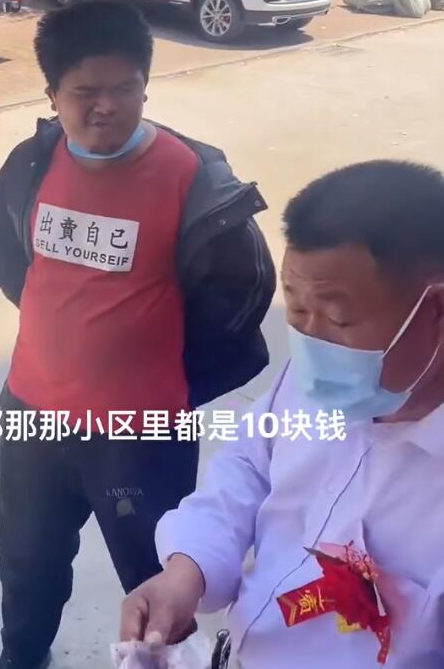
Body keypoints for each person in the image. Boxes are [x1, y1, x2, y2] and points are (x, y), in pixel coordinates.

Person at [0, 0, 275, 669]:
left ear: (146, 84)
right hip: (31, 415)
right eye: (84, 92)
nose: (105, 106)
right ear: (52, 95)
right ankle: (21, 655)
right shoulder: (31, 165)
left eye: (124, 88)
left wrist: (167, 377)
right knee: (26, 558)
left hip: (140, 436)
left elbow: (241, 293)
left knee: (156, 582)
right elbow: (6, 252)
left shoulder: (194, 178)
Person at [121, 160, 444, 668]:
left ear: (436, 309)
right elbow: (249, 466)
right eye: (296, 310)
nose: (312, 341)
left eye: (338, 317)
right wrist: (187, 571)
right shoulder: (322, 377)